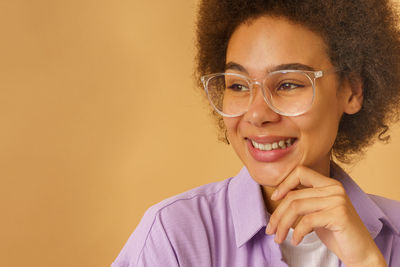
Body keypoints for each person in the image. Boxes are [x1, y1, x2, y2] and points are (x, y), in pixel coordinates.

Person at [112, 0, 400, 266]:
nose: (257, 114)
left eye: (288, 84)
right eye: (237, 85)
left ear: (352, 91)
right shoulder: (174, 237)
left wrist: (367, 261)